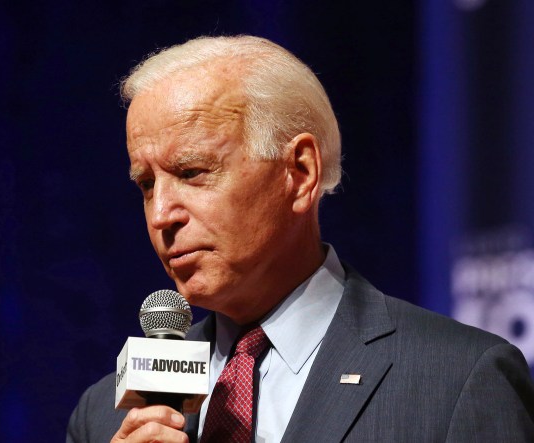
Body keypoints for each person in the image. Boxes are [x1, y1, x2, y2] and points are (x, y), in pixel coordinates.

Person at [66, 35, 534, 442]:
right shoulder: (105, 414)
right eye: (147, 185)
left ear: (300, 172)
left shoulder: (456, 379)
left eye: (192, 172)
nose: (162, 214)